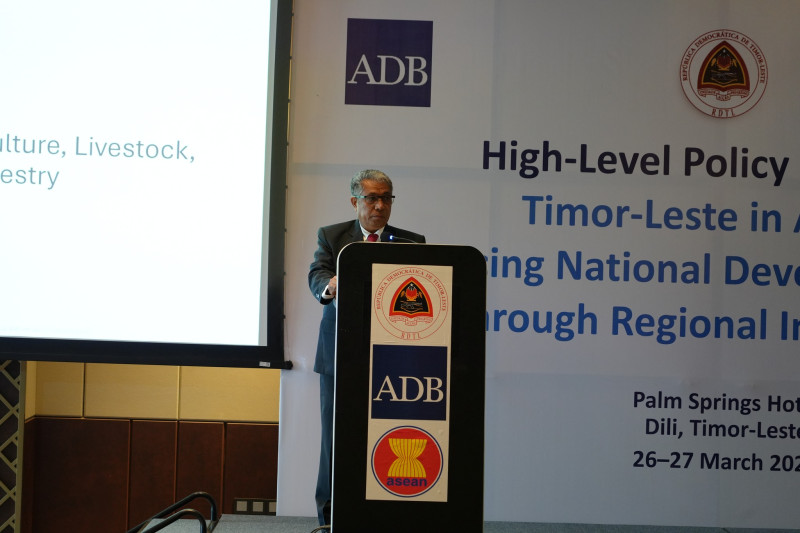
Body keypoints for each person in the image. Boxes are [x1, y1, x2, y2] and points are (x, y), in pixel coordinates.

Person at [308, 169, 425, 525]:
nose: (379, 206)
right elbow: (318, 273)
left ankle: (383, 515)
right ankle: (329, 519)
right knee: (335, 439)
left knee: (386, 435)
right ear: (354, 201)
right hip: (339, 355)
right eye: (372, 198)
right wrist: (330, 286)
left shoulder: (410, 243)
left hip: (392, 357)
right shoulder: (332, 236)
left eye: (386, 198)